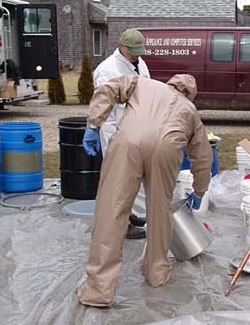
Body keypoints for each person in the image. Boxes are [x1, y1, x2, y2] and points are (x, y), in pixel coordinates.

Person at [78, 74, 213, 307]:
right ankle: (156, 272)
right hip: (166, 150)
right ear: (190, 93)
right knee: (160, 212)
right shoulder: (190, 111)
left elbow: (108, 89)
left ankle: (98, 290)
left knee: (112, 210)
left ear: (171, 83)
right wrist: (200, 190)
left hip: (129, 143)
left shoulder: (142, 83)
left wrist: (93, 123)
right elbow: (202, 157)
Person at [93, 28, 151, 239]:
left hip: (136, 128)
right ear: (121, 46)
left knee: (132, 177)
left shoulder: (139, 63)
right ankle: (121, 224)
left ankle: (129, 213)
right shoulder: (107, 70)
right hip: (115, 130)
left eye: (139, 51)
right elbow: (103, 105)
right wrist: (100, 132)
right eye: (132, 51)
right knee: (117, 179)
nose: (136, 55)